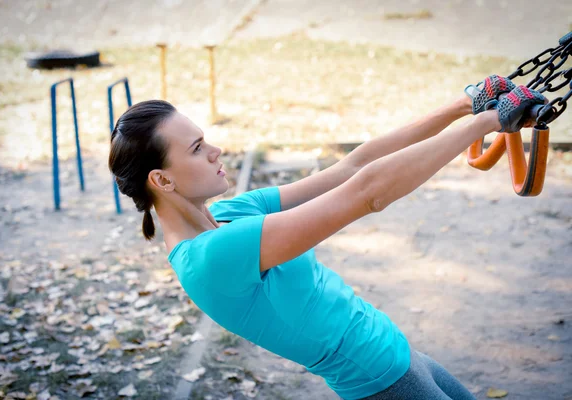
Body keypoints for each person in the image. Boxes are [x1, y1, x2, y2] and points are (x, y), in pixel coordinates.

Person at [108, 77, 546, 400]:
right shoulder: (211, 258)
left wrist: (464, 106)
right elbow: (367, 194)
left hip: (397, 354)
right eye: (196, 148)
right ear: (162, 180)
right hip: (385, 383)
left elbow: (352, 168)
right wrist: (489, 122)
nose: (215, 150)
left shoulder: (226, 215)